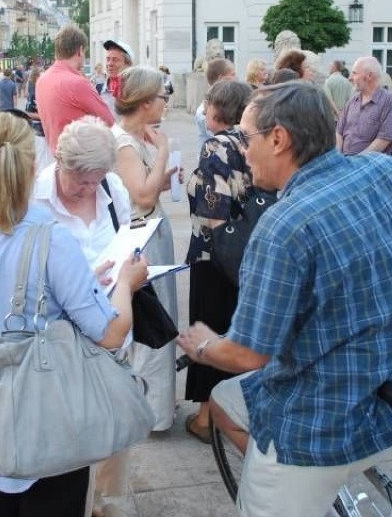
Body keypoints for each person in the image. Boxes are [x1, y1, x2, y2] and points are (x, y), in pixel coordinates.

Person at [178, 83, 392, 517]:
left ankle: (284, 486)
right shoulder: (386, 171)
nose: (243, 150)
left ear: (278, 139)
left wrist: (202, 344)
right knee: (226, 399)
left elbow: (247, 354)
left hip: (320, 424)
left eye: (248, 138)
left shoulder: (284, 225)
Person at [0, 109, 148, 516]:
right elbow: (111, 333)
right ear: (33, 167)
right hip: (48, 420)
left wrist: (75, 284)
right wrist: (126, 286)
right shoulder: (52, 239)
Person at [32, 115, 134, 515]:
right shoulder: (34, 197)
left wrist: (131, 271)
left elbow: (126, 238)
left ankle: (108, 504)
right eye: (80, 179)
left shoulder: (113, 188)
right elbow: (20, 272)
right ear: (60, 162)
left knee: (115, 431)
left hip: (112, 330)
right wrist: (78, 281)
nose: (88, 189)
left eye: (96, 180)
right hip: (62, 341)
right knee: (69, 436)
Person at [112, 65, 181, 430]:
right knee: (154, 317)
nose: (166, 102)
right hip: (144, 235)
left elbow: (141, 190)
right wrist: (164, 153)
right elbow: (141, 195)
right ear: (143, 102)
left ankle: (156, 406)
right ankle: (150, 412)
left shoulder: (135, 137)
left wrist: (163, 179)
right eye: (161, 96)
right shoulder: (125, 142)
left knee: (159, 315)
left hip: (149, 229)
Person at [184, 79, 253, 445]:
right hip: (248, 253)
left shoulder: (218, 146)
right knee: (234, 329)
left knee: (208, 330)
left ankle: (207, 418)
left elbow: (213, 210)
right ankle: (231, 411)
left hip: (215, 255)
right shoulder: (251, 141)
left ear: (219, 108)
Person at [35, 26, 114, 153]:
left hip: (57, 157)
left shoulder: (42, 80)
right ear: (80, 50)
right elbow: (110, 123)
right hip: (83, 162)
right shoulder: (77, 83)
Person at [336, 56, 392, 155]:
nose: (350, 78)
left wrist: (357, 162)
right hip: (345, 164)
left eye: (354, 73)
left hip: (370, 166)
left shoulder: (388, 100)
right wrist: (338, 157)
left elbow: (384, 139)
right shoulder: (353, 100)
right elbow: (339, 132)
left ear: (369, 76)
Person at [196, 57, 237, 153]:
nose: (236, 78)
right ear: (221, 78)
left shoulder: (224, 102)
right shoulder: (206, 110)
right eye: (233, 74)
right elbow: (219, 140)